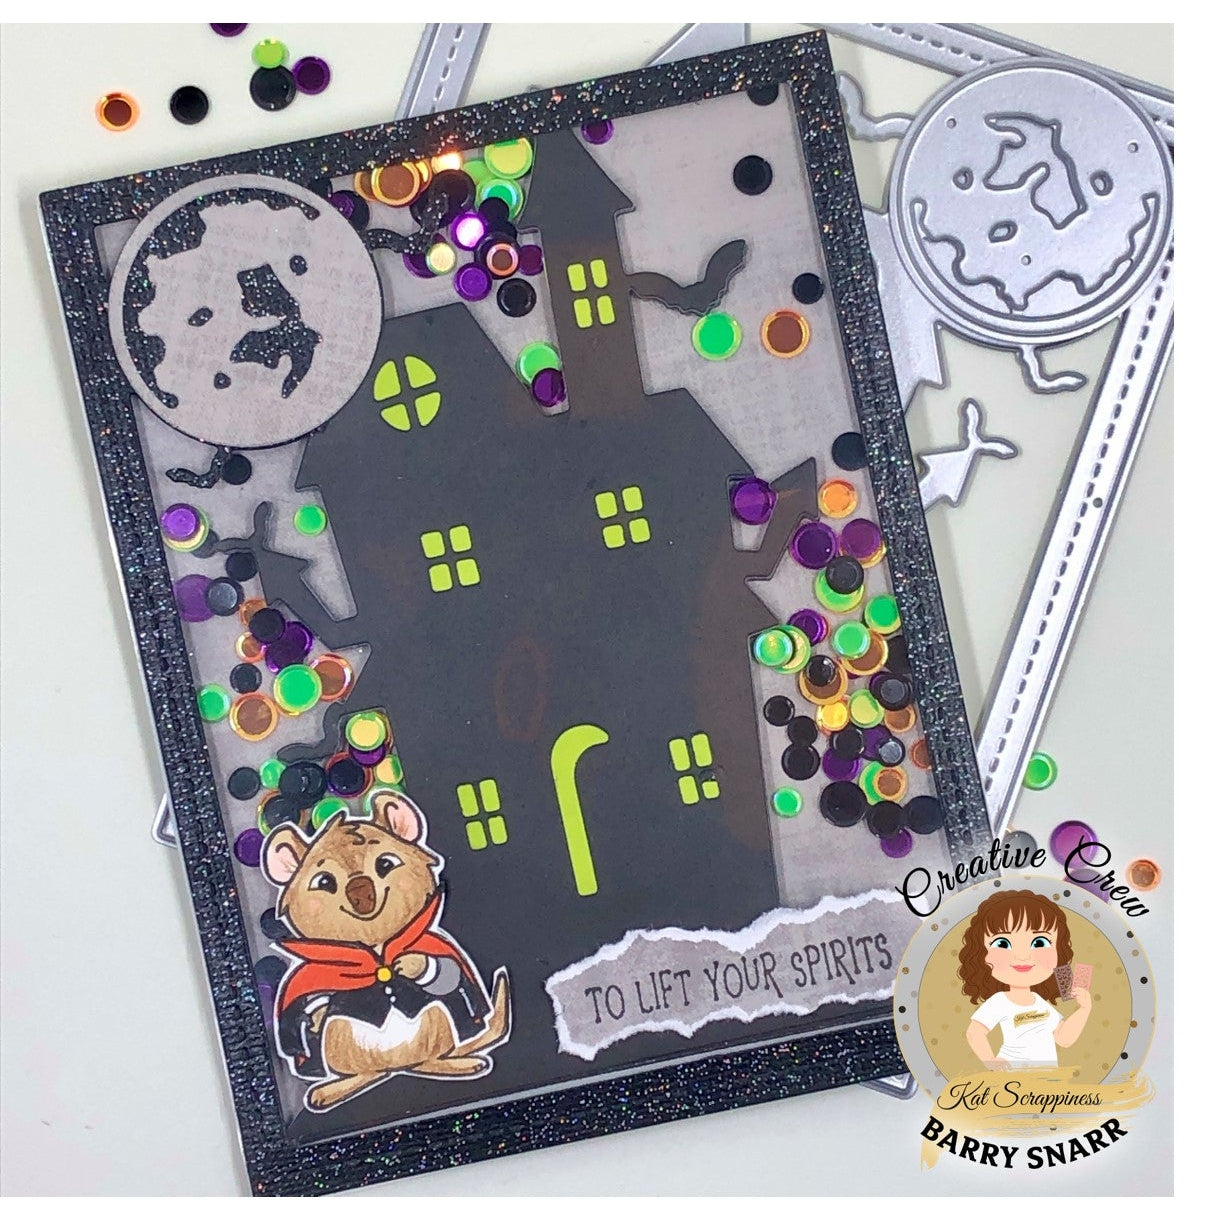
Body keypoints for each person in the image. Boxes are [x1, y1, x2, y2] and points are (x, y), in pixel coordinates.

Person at [959, 888, 1092, 1070]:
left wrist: (1084, 1009)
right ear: (982, 954)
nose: (1022, 956)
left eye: (1039, 942)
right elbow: (974, 1032)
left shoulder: (1039, 1002)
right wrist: (991, 1060)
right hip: (1013, 1078)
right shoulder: (1000, 1001)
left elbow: (1063, 1039)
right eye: (1002, 943)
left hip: (1048, 1081)